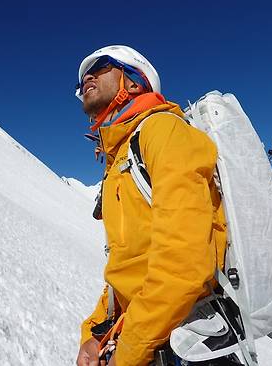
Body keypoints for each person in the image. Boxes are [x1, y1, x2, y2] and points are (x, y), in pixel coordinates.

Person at [74, 46, 238, 366]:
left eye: (101, 66)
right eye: (81, 80)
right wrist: (95, 335)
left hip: (188, 345)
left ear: (134, 83)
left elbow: (185, 258)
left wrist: (132, 348)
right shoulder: (120, 160)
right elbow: (129, 267)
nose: (86, 77)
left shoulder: (162, 130)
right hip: (151, 338)